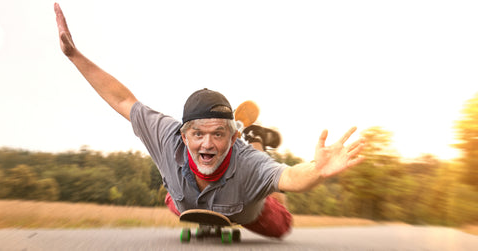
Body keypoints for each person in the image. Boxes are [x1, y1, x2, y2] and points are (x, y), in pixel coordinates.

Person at [54, 3, 365, 239]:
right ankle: (232, 144)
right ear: (183, 134)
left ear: (230, 139)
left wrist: (317, 171)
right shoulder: (166, 135)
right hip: (191, 199)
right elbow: (122, 99)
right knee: (174, 199)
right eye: (197, 134)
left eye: (218, 134)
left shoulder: (249, 165)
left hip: (245, 205)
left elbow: (291, 178)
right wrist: (75, 56)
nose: (206, 143)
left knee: (281, 226)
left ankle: (255, 142)